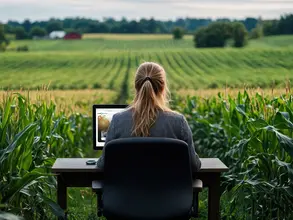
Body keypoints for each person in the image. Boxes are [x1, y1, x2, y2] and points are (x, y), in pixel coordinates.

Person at [96, 61, 201, 171]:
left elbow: (103, 164)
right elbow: (193, 166)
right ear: (163, 87)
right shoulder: (179, 122)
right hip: (167, 188)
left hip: (128, 188)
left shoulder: (117, 121)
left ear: (136, 86)